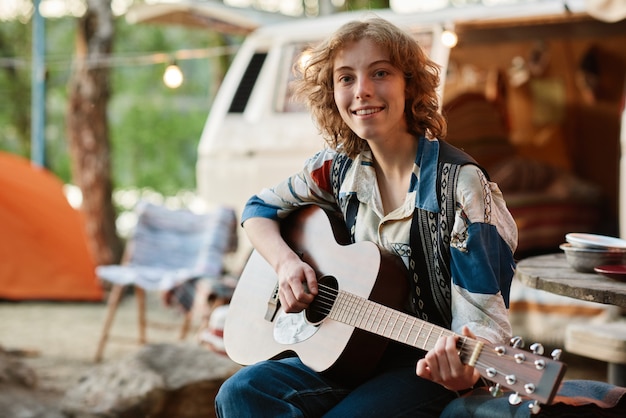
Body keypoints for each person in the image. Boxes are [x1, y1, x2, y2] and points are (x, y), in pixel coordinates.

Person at [215, 16, 518, 417]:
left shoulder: (462, 189)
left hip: (418, 366)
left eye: (380, 73)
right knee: (240, 392)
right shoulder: (337, 168)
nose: (362, 91)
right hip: (349, 352)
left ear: (409, 84)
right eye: (345, 78)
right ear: (331, 91)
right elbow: (259, 210)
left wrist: (463, 369)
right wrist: (287, 264)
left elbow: (484, 329)